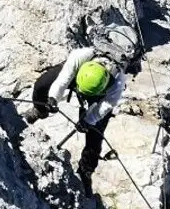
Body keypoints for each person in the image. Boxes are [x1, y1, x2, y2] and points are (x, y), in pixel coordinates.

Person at [25, 45, 127, 193]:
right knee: (42, 85)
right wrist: (53, 98)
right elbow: (63, 79)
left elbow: (106, 106)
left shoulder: (117, 82)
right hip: (79, 79)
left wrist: (88, 121)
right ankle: (40, 110)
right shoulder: (79, 57)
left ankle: (86, 170)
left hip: (98, 93)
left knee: (95, 133)